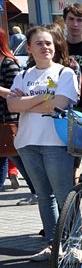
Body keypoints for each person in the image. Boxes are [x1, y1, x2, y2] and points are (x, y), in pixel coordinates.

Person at [7, 26, 79, 261]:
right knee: (44, 196)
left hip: (55, 142)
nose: (45, 47)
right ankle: (52, 245)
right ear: (29, 48)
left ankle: (74, 244)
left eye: (48, 43)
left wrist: (27, 102)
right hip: (27, 142)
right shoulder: (23, 75)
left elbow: (59, 104)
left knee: (64, 195)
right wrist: (43, 97)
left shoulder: (64, 73)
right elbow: (12, 106)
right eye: (39, 43)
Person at [0, 28, 22, 192]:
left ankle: (37, 190)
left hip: (8, 120)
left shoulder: (9, 63)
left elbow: (17, 93)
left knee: (17, 158)